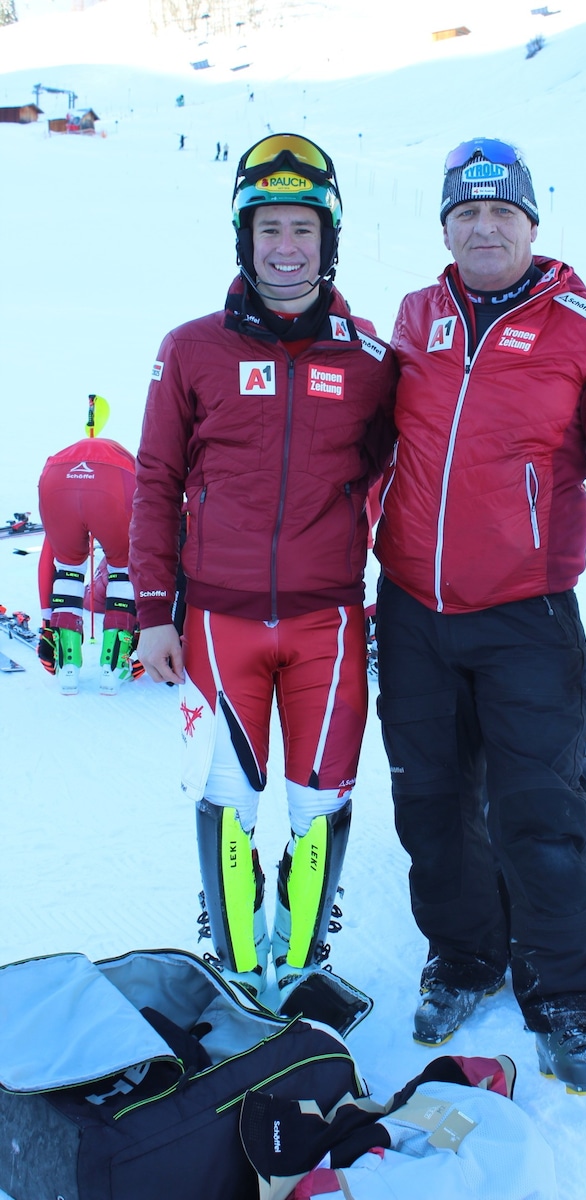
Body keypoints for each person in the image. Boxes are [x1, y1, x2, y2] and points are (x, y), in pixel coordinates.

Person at [374, 137, 586, 1092]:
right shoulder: (415, 318)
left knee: (542, 817)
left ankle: (569, 1002)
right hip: (411, 608)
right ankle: (463, 958)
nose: (484, 228)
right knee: (430, 805)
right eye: (467, 213)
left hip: (528, 616)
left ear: (532, 223)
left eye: (503, 213)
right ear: (446, 226)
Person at [128, 134, 396, 1021]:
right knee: (228, 798)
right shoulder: (192, 349)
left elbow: (410, 479)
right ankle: (241, 963)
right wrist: (150, 612)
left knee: (321, 803)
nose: (287, 247)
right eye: (269, 228)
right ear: (244, 238)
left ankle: (305, 951)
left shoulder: (368, 359)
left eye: (303, 230)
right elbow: (156, 481)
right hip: (216, 622)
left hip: (328, 621)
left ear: (331, 240)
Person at [37, 434, 139, 696]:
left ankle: (67, 664)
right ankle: (114, 665)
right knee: (123, 569)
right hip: (116, 478)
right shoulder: (129, 460)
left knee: (67, 568)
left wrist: (47, 625)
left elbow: (46, 559)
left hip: (56, 476)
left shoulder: (64, 454)